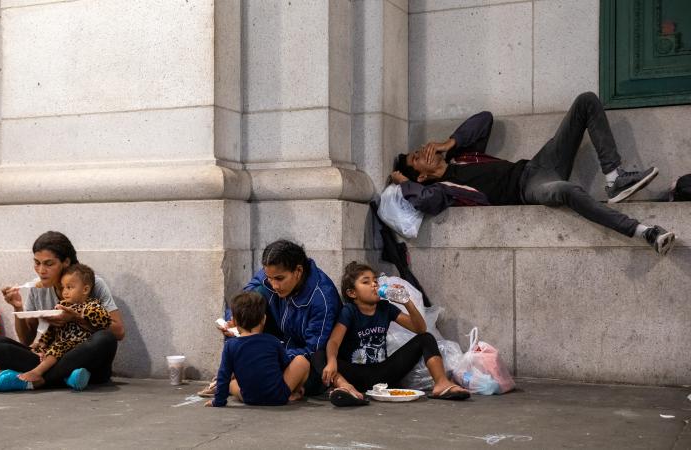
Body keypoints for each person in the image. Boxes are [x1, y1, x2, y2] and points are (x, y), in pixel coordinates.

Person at [392, 92, 676, 256]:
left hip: (537, 164)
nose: (425, 151)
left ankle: (614, 178)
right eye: (418, 157)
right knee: (567, 191)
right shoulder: (444, 189)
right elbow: (425, 201)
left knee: (586, 101)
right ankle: (643, 231)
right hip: (528, 188)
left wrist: (449, 143)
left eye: (421, 148)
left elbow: (484, 119)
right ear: (422, 177)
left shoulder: (461, 156)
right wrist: (404, 183)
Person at [0, 231, 125, 391]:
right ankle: (65, 377)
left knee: (105, 339)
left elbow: (118, 332)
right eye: (37, 263)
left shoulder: (91, 283)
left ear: (65, 262)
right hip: (50, 355)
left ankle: (39, 380)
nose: (41, 270)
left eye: (48, 264)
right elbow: (26, 340)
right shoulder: (37, 288)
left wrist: (76, 318)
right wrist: (18, 307)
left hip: (83, 356)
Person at [316, 262, 470, 406]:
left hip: (383, 373)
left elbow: (420, 328)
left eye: (375, 280)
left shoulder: (385, 308)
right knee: (318, 355)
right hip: (355, 374)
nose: (374, 284)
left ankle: (442, 384)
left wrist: (406, 302)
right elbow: (334, 342)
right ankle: (346, 388)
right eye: (366, 282)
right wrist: (331, 362)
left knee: (426, 338)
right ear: (352, 293)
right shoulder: (349, 311)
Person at [213, 239, 341, 396]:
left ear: (298, 271)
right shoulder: (271, 274)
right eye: (270, 278)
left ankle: (248, 383)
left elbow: (312, 349)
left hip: (305, 357)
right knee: (255, 296)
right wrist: (235, 324)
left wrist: (269, 360)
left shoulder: (322, 299)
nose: (274, 285)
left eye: (279, 279)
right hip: (275, 346)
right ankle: (243, 378)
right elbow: (245, 299)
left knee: (309, 363)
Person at [1, 264, 112, 391]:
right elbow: (51, 330)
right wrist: (41, 343)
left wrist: (78, 316)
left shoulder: (91, 306)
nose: (65, 292)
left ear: (85, 289)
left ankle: (37, 374)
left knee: (102, 338)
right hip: (57, 351)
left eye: (70, 287)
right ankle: (67, 377)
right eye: (63, 287)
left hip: (79, 349)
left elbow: (105, 322)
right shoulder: (61, 306)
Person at [206, 292, 310, 407]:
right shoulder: (273, 341)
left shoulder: (230, 345)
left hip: (249, 397)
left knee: (231, 383)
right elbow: (285, 366)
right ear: (264, 319)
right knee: (301, 361)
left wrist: (218, 402)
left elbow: (223, 375)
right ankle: (293, 393)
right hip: (277, 397)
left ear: (234, 321)